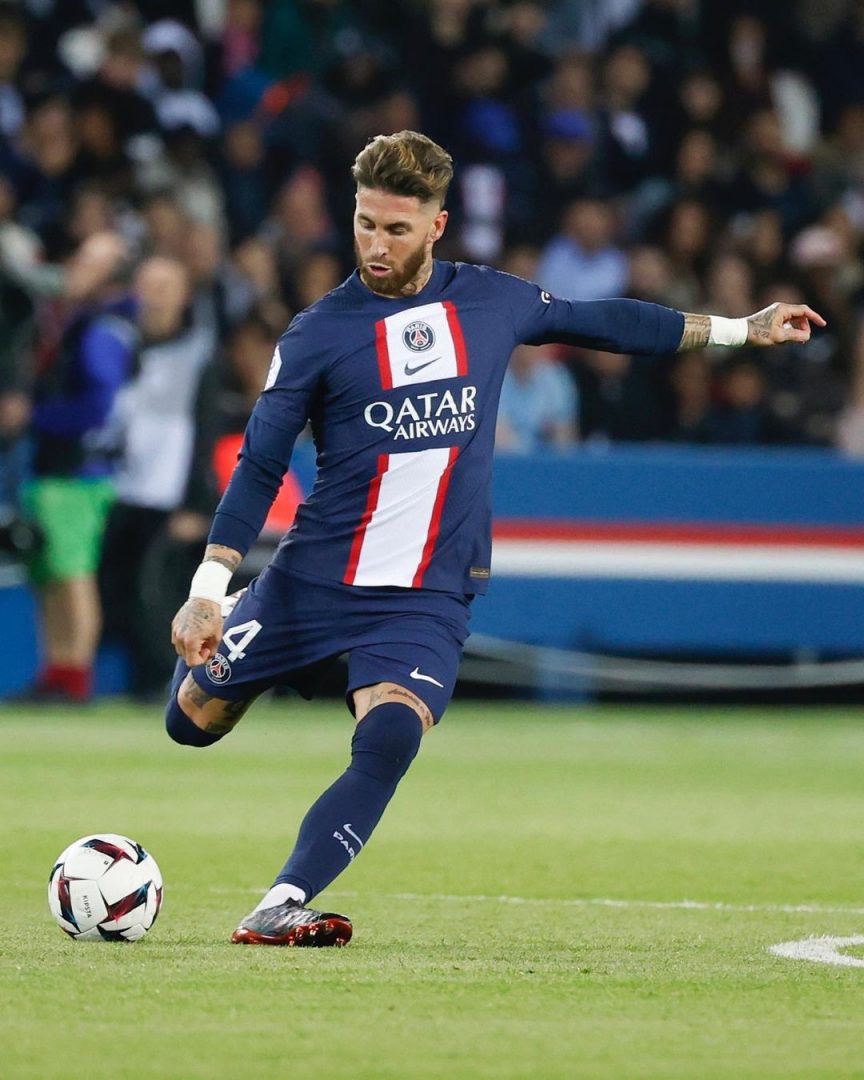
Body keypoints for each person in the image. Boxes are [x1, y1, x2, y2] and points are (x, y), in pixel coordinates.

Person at [167, 130, 825, 947]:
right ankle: (242, 624)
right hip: (313, 579)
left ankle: (279, 902)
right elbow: (261, 464)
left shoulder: (491, 301)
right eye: (366, 224)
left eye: (397, 229)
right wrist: (206, 594)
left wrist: (741, 329)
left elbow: (605, 322)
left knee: (391, 737)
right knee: (190, 723)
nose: (377, 245)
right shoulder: (317, 333)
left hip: (426, 594)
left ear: (437, 226)